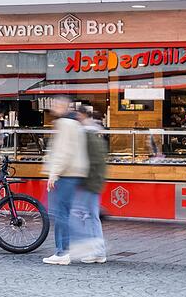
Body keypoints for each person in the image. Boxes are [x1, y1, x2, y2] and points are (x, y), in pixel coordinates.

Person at [42, 97, 88, 266]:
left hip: (65, 173)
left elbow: (63, 152)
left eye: (55, 105)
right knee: (64, 212)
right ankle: (64, 250)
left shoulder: (64, 123)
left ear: (62, 106)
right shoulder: (75, 124)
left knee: (60, 213)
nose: (53, 108)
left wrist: (54, 174)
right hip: (75, 172)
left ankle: (62, 252)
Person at [70, 107, 108, 264]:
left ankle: (93, 249)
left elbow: (85, 160)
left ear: (83, 115)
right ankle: (99, 251)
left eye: (78, 115)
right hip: (95, 180)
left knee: (79, 215)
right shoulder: (96, 132)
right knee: (91, 216)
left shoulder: (85, 134)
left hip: (89, 182)